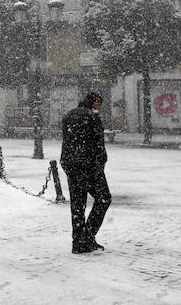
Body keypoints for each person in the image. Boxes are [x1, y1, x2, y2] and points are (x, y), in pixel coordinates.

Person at [60, 91, 111, 254]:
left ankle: (78, 241)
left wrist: (67, 162)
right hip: (89, 165)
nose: (99, 106)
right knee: (104, 199)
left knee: (78, 203)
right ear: (92, 102)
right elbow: (98, 144)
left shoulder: (69, 115)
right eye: (98, 103)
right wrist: (100, 162)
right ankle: (87, 237)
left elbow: (66, 139)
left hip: (71, 164)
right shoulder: (92, 117)